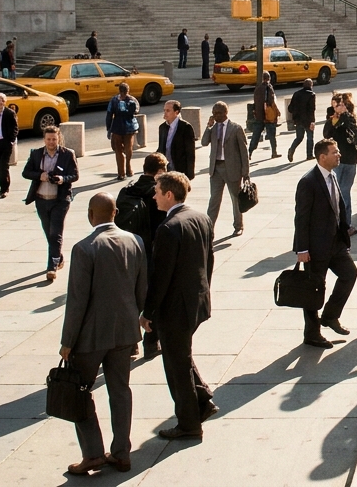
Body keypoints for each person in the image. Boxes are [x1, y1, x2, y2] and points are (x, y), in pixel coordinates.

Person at [60, 192, 146, 475]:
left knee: (81, 393)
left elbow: (77, 301)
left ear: (90, 215)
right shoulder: (135, 241)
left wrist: (67, 342)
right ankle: (121, 453)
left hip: (90, 337)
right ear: (116, 212)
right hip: (124, 333)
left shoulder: (85, 249)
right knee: (120, 392)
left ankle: (93, 454)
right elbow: (141, 289)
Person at [142, 172, 217, 440]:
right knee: (180, 355)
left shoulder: (168, 228)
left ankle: (188, 424)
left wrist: (148, 313)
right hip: (197, 302)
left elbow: (160, 278)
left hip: (174, 309)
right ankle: (203, 399)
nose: (154, 196)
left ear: (169, 195)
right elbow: (209, 261)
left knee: (176, 366)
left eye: (157, 191)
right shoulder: (201, 218)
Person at [294, 139, 357, 348]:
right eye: (335, 152)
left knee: (350, 274)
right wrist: (302, 249)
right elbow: (301, 218)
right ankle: (312, 334)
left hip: (336, 243)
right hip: (315, 247)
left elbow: (338, 208)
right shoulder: (308, 182)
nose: (339, 154)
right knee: (314, 290)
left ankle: (330, 315)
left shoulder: (333, 176)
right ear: (323, 157)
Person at [116, 152, 166, 357]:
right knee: (152, 297)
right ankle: (151, 343)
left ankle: (130, 343)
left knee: (130, 297)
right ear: (159, 171)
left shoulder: (127, 190)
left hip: (128, 250)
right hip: (150, 251)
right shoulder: (158, 192)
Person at [23, 126, 80, 282]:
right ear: (44, 139)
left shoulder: (67, 154)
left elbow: (75, 175)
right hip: (41, 199)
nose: (51, 142)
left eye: (54, 139)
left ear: (58, 138)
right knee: (49, 232)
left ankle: (51, 267)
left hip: (60, 200)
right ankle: (58, 257)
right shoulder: (36, 154)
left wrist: (62, 179)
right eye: (48, 139)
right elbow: (26, 172)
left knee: (56, 233)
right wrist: (40, 175)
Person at [202, 101, 249, 236]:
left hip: (232, 169)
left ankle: (238, 226)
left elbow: (243, 152)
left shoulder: (236, 128)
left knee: (235, 199)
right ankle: (209, 229)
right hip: (216, 168)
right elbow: (204, 142)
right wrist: (208, 126)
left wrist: (245, 172)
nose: (215, 116)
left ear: (225, 113)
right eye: (213, 113)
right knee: (214, 200)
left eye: (217, 113)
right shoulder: (213, 128)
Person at [323, 94, 357, 223]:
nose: (335, 107)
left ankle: (345, 223)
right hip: (335, 161)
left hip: (349, 160)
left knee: (344, 191)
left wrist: (343, 116)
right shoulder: (333, 120)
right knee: (334, 191)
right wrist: (333, 120)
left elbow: (354, 136)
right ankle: (336, 222)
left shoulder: (351, 119)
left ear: (345, 105)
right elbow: (326, 135)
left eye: (338, 104)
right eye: (334, 104)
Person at [105, 82, 141, 178]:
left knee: (118, 151)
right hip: (129, 127)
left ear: (119, 90)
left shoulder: (114, 100)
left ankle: (121, 173)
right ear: (128, 90)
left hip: (117, 126)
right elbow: (136, 111)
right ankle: (128, 169)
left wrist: (109, 127)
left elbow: (109, 114)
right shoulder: (132, 100)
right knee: (128, 149)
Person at [157, 100, 197, 179]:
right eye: (164, 110)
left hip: (179, 169)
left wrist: (190, 173)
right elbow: (161, 148)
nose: (165, 113)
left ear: (176, 112)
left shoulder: (185, 127)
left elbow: (190, 153)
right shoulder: (162, 127)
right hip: (165, 169)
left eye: (168, 111)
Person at [248, 71, 280, 159]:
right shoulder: (269, 87)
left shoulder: (257, 88)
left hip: (259, 115)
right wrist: (277, 112)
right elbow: (272, 102)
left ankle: (250, 152)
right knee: (272, 135)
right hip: (268, 116)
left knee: (256, 135)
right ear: (269, 78)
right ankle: (274, 152)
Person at [287, 79, 318, 162]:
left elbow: (290, 108)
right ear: (311, 86)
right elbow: (312, 109)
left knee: (299, 137)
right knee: (310, 138)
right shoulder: (312, 95)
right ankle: (309, 155)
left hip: (298, 120)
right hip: (308, 120)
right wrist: (312, 121)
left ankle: (291, 149)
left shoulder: (296, 94)